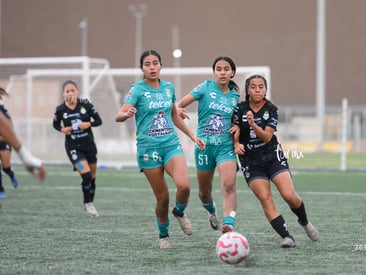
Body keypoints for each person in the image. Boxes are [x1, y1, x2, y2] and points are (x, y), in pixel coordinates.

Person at [115, 50, 205, 249]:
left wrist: (192, 135)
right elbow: (118, 115)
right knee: (162, 198)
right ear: (142, 68)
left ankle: (179, 212)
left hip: (170, 145)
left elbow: (173, 115)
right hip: (148, 149)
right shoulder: (137, 90)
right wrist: (126, 114)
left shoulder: (168, 88)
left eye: (155, 63)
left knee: (184, 186)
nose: (152, 67)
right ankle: (164, 235)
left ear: (161, 66)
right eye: (147, 64)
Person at [232, 75, 319, 248]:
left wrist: (252, 124)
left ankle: (304, 222)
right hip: (250, 161)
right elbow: (234, 130)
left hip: (272, 156)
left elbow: (266, 137)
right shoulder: (239, 109)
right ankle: (287, 236)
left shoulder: (271, 109)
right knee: (265, 198)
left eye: (261, 87)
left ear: (265, 89)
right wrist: (236, 143)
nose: (257, 90)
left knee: (289, 195)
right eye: (254, 87)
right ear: (247, 90)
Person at [176, 56, 240, 234]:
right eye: (219, 69)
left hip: (225, 147)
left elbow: (238, 120)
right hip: (204, 147)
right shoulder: (205, 87)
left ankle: (228, 225)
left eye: (226, 69)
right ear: (214, 72)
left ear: (232, 72)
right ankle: (212, 212)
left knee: (229, 186)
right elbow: (178, 105)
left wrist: (237, 126)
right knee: (204, 193)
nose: (222, 72)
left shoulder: (235, 96)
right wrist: (178, 109)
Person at [53, 80, 102, 217]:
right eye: (67, 91)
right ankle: (88, 203)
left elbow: (98, 121)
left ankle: (91, 201)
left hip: (89, 146)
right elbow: (55, 124)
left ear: (77, 91)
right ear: (63, 94)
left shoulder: (86, 105)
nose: (70, 93)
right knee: (86, 174)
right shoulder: (60, 110)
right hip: (73, 148)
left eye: (72, 90)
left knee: (92, 177)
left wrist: (88, 124)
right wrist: (63, 129)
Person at [0, 107, 46, 182]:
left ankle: (10, 176)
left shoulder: (3, 110)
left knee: (6, 168)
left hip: (3, 143)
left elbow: (5, 127)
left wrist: (23, 155)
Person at [0, 88, 19, 198]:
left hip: (4, 141)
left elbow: (10, 128)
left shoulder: (3, 110)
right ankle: (1, 188)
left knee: (5, 166)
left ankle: (11, 174)